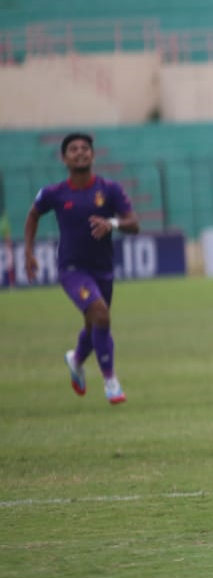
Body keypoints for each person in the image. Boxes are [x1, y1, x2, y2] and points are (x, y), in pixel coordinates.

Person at [24, 132, 139, 405]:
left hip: (103, 269)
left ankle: (76, 360)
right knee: (101, 314)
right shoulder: (55, 193)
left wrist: (111, 223)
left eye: (85, 148)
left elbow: (133, 224)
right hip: (71, 269)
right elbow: (33, 214)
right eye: (73, 149)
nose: (80, 152)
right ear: (64, 158)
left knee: (94, 324)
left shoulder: (109, 190)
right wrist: (28, 251)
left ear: (93, 155)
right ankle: (110, 381)